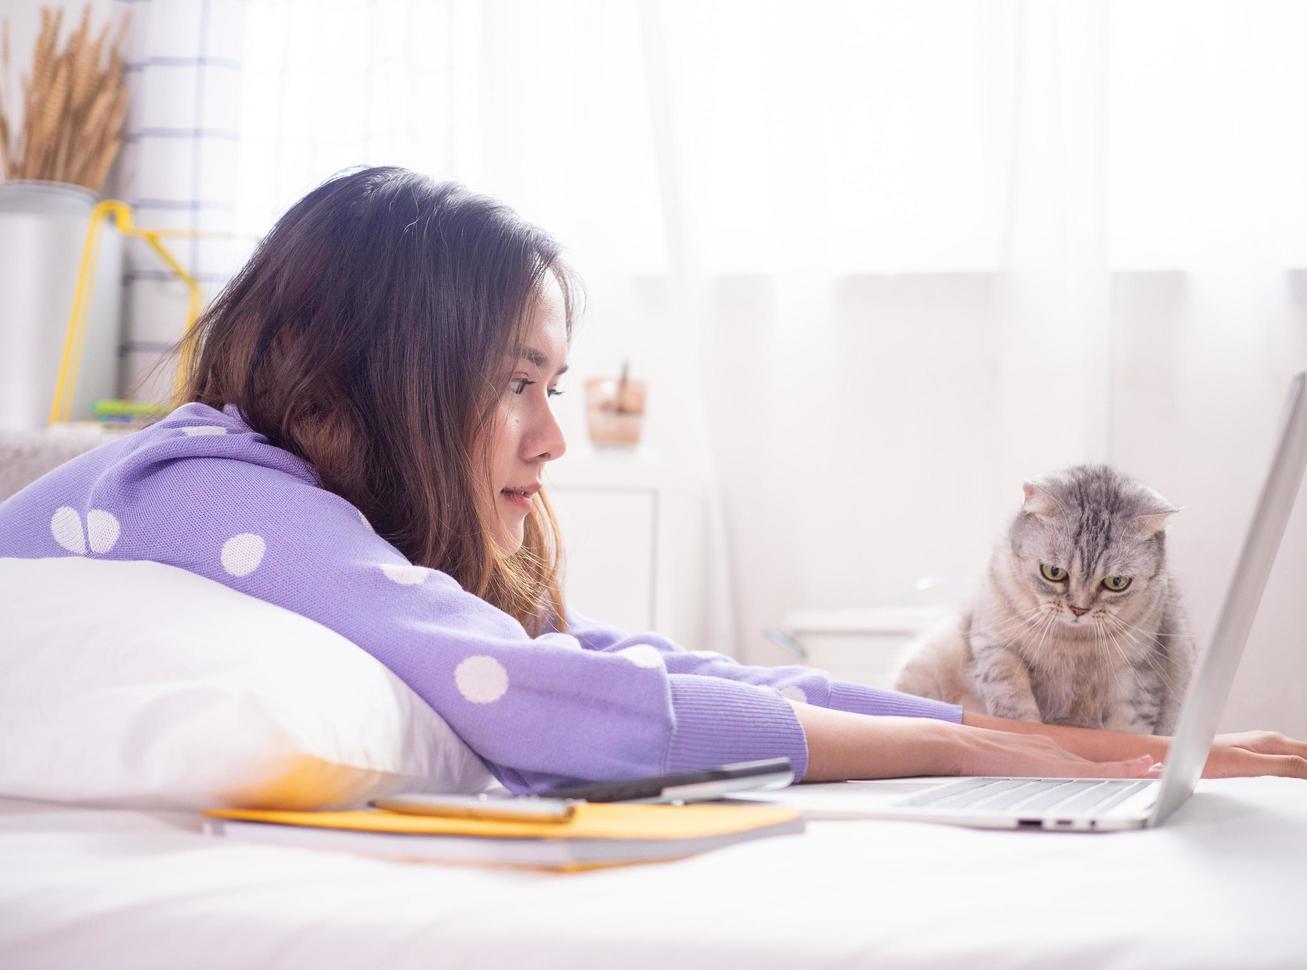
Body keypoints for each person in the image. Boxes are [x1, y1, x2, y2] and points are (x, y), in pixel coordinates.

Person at [1, 166, 1302, 793]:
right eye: (517, 383)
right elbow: (541, 702)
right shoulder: (208, 493)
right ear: (371, 373)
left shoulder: (319, 533)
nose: (554, 439)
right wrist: (971, 749)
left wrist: (1102, 750)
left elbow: (638, 667)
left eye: (553, 387)